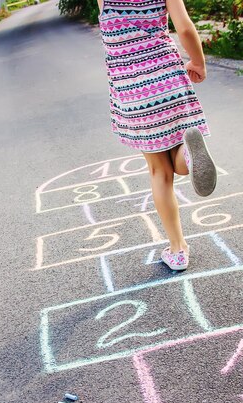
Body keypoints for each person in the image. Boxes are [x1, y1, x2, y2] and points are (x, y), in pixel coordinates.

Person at [98, 0, 217, 271]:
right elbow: (184, 28)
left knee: (159, 172)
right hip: (168, 80)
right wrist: (198, 62)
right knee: (178, 153)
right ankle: (188, 155)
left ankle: (177, 249)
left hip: (133, 92)